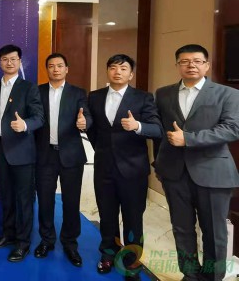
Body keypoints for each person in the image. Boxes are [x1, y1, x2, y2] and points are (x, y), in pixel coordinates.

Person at [154, 44, 239, 281]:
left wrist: (188, 139)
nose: (191, 65)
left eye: (197, 61)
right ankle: (190, 275)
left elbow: (232, 129)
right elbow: (159, 131)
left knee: (214, 233)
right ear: (177, 65)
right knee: (181, 229)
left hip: (213, 173)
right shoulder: (163, 94)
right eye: (185, 61)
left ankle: (212, 278)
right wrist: (158, 163)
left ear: (207, 65)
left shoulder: (228, 94)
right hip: (174, 173)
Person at [87, 54, 162, 280]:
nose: (117, 72)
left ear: (131, 74)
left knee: (133, 219)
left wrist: (137, 126)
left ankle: (131, 261)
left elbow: (157, 129)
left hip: (133, 169)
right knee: (107, 215)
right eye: (113, 67)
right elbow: (94, 131)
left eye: (123, 68)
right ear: (107, 71)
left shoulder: (143, 98)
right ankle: (108, 254)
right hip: (104, 168)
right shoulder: (95, 97)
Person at [35, 53, 92, 267]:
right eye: (51, 66)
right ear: (47, 69)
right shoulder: (38, 91)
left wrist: (85, 122)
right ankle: (46, 240)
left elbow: (87, 116)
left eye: (60, 66)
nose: (56, 69)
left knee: (71, 201)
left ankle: (70, 243)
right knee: (45, 201)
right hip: (45, 154)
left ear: (67, 69)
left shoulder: (78, 93)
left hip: (71, 155)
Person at [0, 44, 44, 262]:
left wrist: (25, 125)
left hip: (22, 151)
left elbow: (39, 117)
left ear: (20, 61)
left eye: (13, 59)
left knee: (24, 199)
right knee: (7, 196)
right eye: (5, 59)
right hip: (1, 150)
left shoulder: (29, 88)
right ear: (0, 62)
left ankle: (23, 242)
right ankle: (8, 233)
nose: (9, 62)